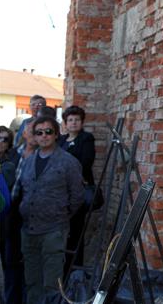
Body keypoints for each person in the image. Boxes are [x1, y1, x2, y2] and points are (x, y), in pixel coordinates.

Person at [18, 116, 84, 304]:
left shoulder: (68, 162)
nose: (44, 136)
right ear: (34, 136)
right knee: (32, 281)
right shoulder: (29, 161)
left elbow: (77, 196)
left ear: (56, 134)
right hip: (29, 230)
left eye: (48, 131)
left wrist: (60, 214)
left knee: (52, 284)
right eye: (39, 132)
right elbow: (25, 189)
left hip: (53, 230)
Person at [59, 105, 96, 275]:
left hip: (77, 191)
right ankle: (61, 268)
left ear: (82, 122)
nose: (73, 123)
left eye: (77, 120)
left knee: (75, 231)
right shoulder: (60, 140)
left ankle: (75, 272)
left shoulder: (86, 139)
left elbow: (86, 162)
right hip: (59, 192)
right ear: (65, 123)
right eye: (70, 120)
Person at [0, 126, 25, 304]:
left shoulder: (10, 164)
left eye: (4, 139)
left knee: (6, 261)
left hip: (4, 220)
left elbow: (6, 196)